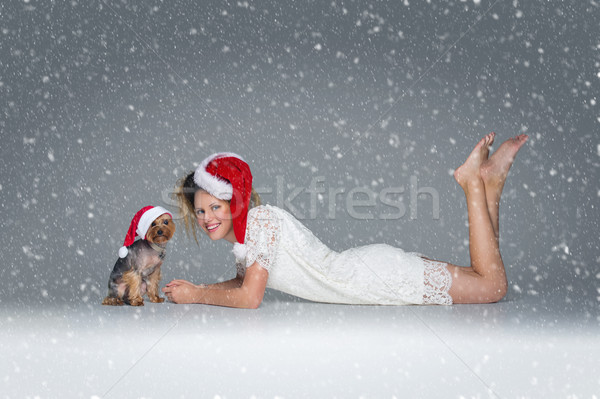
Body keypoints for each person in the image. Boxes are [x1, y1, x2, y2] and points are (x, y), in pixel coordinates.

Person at [162, 133, 528, 308]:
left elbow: (250, 297)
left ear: (235, 203)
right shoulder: (249, 238)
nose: (207, 217)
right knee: (484, 276)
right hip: (370, 269)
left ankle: (472, 184)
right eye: (202, 210)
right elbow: (242, 281)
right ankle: (489, 185)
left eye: (216, 207)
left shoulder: (260, 224)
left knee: (492, 287)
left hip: (374, 278)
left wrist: (196, 295)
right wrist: (201, 287)